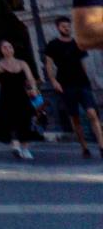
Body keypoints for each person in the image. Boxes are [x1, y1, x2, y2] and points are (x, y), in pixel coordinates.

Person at [43, 16, 102, 158]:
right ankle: (84, 146)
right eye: (64, 26)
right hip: (65, 84)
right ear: (58, 28)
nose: (67, 28)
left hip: (82, 83)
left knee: (92, 113)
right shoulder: (53, 45)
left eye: (68, 26)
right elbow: (49, 64)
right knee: (74, 117)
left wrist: (88, 79)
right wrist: (53, 81)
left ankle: (101, 145)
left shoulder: (77, 43)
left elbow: (82, 63)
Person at [0, 39, 42, 160]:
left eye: (10, 47)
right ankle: (16, 145)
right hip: (6, 96)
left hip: (21, 95)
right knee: (10, 121)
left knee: (25, 120)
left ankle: (25, 148)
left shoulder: (22, 63)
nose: (8, 49)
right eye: (5, 47)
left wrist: (33, 88)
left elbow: (30, 78)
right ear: (1, 50)